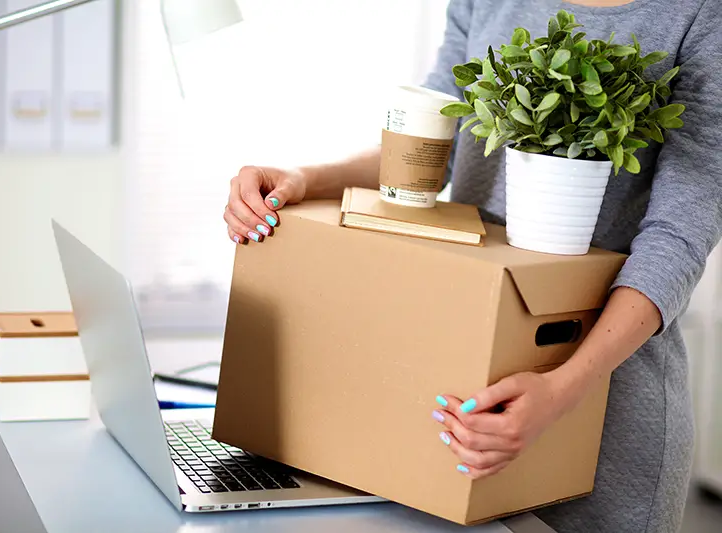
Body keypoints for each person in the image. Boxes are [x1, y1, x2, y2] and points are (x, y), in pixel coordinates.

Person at [221, 1, 722, 531]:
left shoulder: (701, 15)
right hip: (461, 375)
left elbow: (678, 236)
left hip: (604, 395)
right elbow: (426, 151)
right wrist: (304, 177)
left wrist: (562, 388)